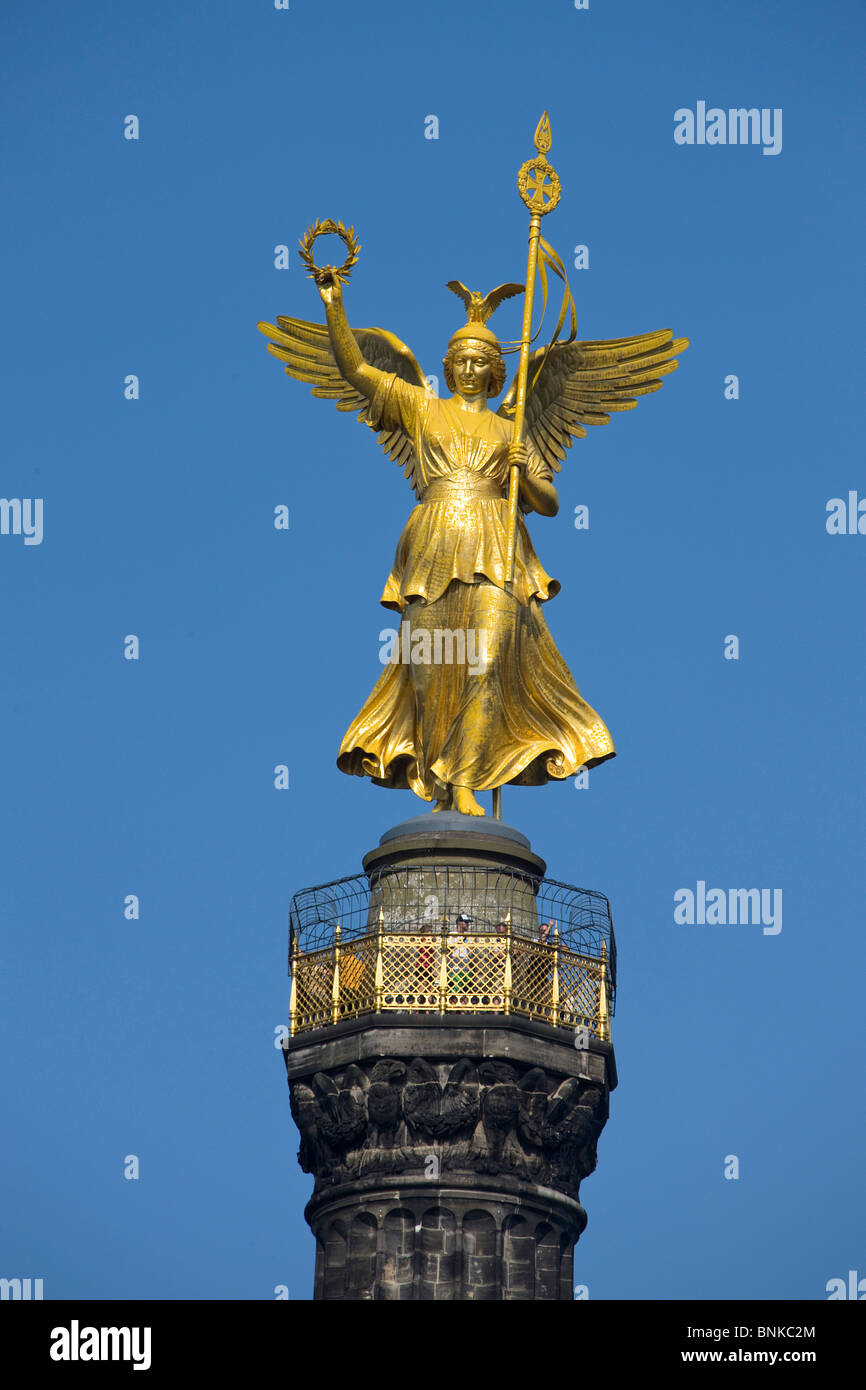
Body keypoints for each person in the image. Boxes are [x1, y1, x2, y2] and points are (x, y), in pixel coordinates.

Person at [313, 269, 615, 815]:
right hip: (432, 543)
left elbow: (549, 504)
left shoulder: (511, 428)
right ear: (448, 366)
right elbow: (355, 366)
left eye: (481, 362)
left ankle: (467, 781)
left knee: (489, 661)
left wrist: (531, 473)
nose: (470, 370)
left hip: (498, 546)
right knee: (430, 671)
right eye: (462, 361)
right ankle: (443, 787)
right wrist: (335, 304)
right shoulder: (420, 406)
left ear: (495, 370)